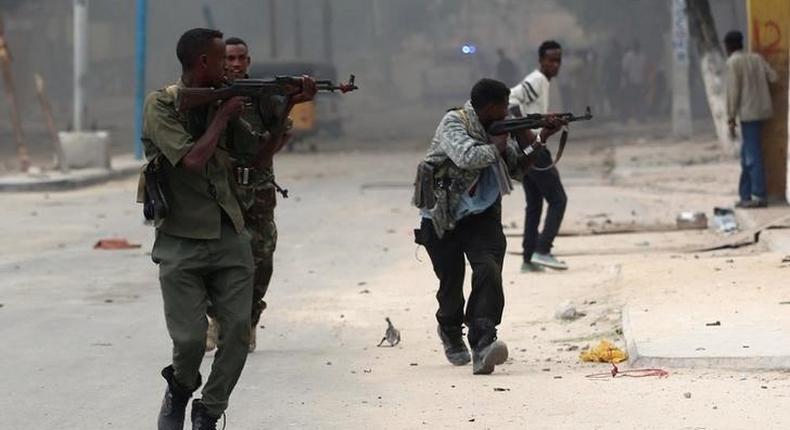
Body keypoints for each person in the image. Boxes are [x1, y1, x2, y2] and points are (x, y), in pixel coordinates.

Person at [414, 78, 564, 375]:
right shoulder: (453, 122)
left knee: (489, 270)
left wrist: (540, 138)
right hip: (443, 215)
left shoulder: (499, 128)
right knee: (450, 285)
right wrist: (496, 146)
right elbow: (467, 157)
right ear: (489, 107)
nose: (506, 114)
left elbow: (518, 168)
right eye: (503, 109)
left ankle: (483, 342)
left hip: (482, 214)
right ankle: (450, 328)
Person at [142, 28, 252, 430]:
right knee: (189, 340)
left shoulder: (223, 97)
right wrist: (222, 114)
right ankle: (180, 388)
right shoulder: (161, 105)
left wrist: (284, 104)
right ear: (203, 61)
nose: (230, 65)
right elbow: (192, 160)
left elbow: (256, 153)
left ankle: (209, 410)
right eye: (223, 58)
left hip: (228, 233)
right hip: (180, 239)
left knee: (238, 330)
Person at [204, 37, 316, 353]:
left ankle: (249, 320)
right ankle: (217, 320)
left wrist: (264, 151)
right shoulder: (208, 93)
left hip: (258, 188)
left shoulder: (263, 95)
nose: (236, 64)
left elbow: (283, 132)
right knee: (213, 257)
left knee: (261, 257)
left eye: (241, 59)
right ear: (219, 60)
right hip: (220, 190)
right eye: (229, 58)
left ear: (249, 62)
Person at [509, 40, 568, 273]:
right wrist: (526, 132)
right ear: (540, 60)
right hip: (535, 148)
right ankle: (543, 250)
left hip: (528, 150)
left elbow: (524, 107)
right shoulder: (538, 79)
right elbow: (512, 99)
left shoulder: (542, 82)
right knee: (558, 200)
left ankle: (528, 258)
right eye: (551, 60)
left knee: (534, 203)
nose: (555, 65)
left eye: (558, 61)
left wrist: (543, 117)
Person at [724, 30, 777, 208]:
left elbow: (733, 92)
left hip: (748, 114)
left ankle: (758, 195)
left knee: (752, 156)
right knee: (746, 155)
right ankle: (745, 195)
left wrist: (730, 118)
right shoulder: (756, 58)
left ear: (728, 47)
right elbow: (774, 77)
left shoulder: (733, 62)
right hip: (763, 111)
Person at [621, 40, 647, 122]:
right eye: (635, 46)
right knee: (629, 101)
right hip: (631, 83)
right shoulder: (628, 56)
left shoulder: (642, 57)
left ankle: (640, 118)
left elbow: (644, 70)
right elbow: (625, 71)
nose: (636, 48)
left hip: (639, 82)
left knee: (639, 101)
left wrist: (645, 82)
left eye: (637, 46)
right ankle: (624, 119)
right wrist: (627, 82)